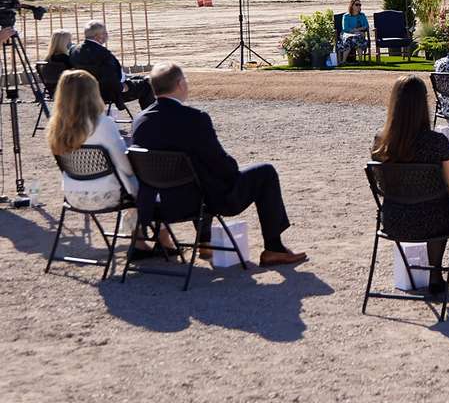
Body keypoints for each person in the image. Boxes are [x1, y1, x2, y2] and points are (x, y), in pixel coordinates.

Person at [131, 63, 308, 266]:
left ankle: (205, 241)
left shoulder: (140, 120)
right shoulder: (194, 119)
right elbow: (220, 165)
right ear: (179, 84)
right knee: (264, 172)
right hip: (195, 202)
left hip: (157, 204)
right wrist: (235, 171)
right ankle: (273, 248)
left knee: (197, 172)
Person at [372, 75, 449, 297]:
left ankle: (436, 278)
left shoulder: (380, 140)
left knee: (443, 207)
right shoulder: (436, 142)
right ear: (423, 103)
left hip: (394, 219)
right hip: (435, 221)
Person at [46, 70, 175, 255]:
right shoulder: (102, 124)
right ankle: (163, 239)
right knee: (146, 182)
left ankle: (139, 241)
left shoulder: (56, 127)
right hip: (106, 194)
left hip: (73, 194)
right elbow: (125, 167)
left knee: (128, 184)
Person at [67, 20, 155, 109]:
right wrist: (123, 87)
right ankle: (150, 118)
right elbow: (111, 78)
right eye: (105, 33)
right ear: (98, 36)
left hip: (85, 92)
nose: (107, 35)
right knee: (147, 85)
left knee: (142, 78)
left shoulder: (74, 51)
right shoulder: (103, 54)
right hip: (107, 93)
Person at [41, 29, 73, 98]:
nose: (71, 43)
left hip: (52, 91)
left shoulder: (48, 59)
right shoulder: (66, 59)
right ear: (64, 43)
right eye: (69, 40)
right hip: (68, 91)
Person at [337, 0, 370, 64]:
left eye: (360, 5)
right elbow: (345, 29)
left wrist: (357, 30)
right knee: (349, 39)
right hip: (346, 34)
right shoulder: (346, 16)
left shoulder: (362, 15)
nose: (359, 6)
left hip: (358, 34)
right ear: (352, 6)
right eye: (357, 4)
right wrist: (356, 31)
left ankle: (360, 61)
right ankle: (343, 61)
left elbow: (366, 26)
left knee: (358, 38)